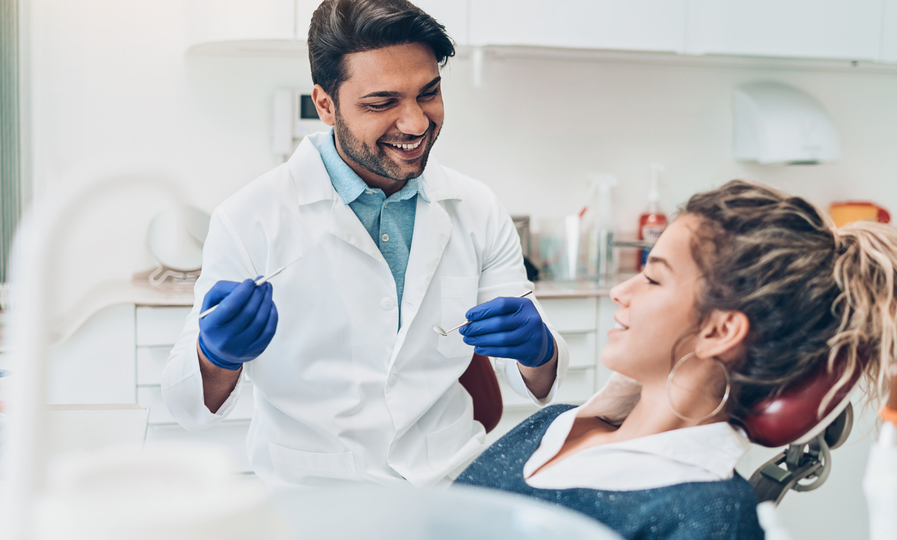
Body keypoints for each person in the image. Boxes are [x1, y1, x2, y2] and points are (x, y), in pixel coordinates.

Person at [161, 0, 569, 491]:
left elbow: (539, 381)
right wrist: (215, 357)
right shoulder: (251, 218)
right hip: (315, 496)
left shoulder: (476, 206)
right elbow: (186, 406)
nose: (416, 123)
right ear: (326, 104)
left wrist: (539, 348)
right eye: (382, 104)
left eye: (429, 93)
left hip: (451, 485)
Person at [455, 180, 897, 539]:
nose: (620, 291)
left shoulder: (709, 513)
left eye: (652, 277)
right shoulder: (549, 425)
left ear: (720, 331)